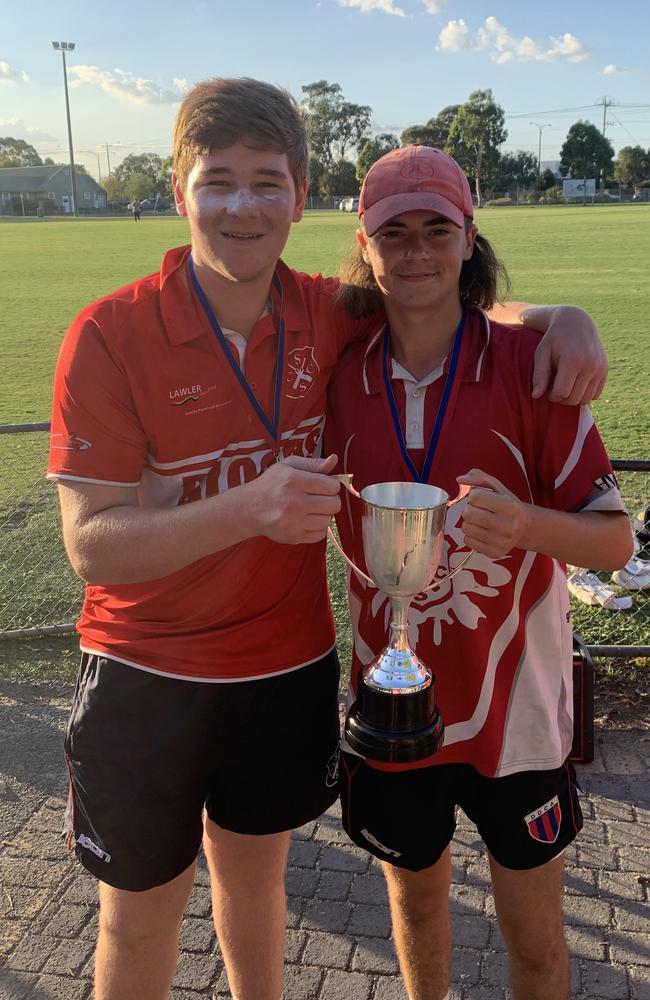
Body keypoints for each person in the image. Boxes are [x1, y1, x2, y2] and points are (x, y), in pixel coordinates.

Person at [47, 78, 610, 1000]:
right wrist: (248, 509)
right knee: (137, 915)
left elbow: (437, 301)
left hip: (283, 666)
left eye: (267, 180)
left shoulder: (326, 315)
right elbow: (90, 549)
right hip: (148, 674)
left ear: (300, 198)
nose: (242, 205)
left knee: (254, 885)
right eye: (217, 179)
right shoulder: (110, 333)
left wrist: (560, 318)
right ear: (178, 186)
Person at [325, 144, 633, 1000]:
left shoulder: (532, 372)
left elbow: (615, 545)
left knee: (532, 938)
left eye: (438, 229)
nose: (417, 251)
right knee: (417, 909)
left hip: (519, 719)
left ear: (469, 239)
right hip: (394, 710)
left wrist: (529, 525)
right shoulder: (338, 375)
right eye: (396, 232)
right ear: (364, 240)